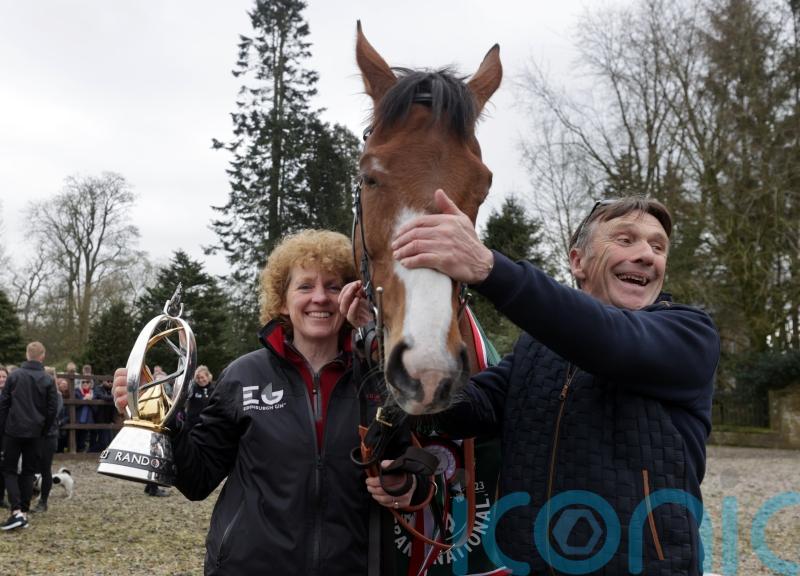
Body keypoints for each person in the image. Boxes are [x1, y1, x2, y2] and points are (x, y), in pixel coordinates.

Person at [358, 191, 721, 575]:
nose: (647, 254)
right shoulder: (536, 347)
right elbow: (465, 409)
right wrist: (392, 344)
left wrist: (489, 268)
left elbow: (611, 340)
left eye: (658, 246)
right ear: (577, 262)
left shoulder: (691, 334)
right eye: (626, 239)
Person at [112, 229, 425, 575]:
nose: (320, 297)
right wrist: (163, 421)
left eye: (333, 286)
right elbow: (197, 479)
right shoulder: (243, 376)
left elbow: (414, 465)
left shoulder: (380, 381)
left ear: (352, 296)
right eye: (305, 286)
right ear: (281, 301)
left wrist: (407, 485)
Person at [0, 342, 58, 530]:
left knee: (9, 470)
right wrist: (44, 430)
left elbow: (4, 404)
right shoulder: (48, 380)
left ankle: (16, 510)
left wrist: (3, 428)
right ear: (43, 356)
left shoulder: (14, 376)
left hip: (13, 430)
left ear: (27, 354)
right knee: (28, 471)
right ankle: (23, 511)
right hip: (36, 432)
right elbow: (52, 410)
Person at [34, 366, 63, 512]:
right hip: (36, 435)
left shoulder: (57, 396)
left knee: (45, 469)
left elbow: (53, 414)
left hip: (49, 435)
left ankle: (43, 501)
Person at [74, 371, 94, 452]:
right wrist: (83, 400)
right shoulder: (76, 391)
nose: (85, 383)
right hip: (78, 419)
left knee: (87, 437)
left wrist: (91, 400)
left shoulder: (93, 393)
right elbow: (74, 405)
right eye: (83, 382)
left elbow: (96, 408)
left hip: (90, 420)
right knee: (78, 437)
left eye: (87, 382)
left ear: (90, 384)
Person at [0, 365, 8, 508]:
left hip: (6, 436)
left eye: (4, 377)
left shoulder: (11, 394)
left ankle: (1, 498)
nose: (1, 379)